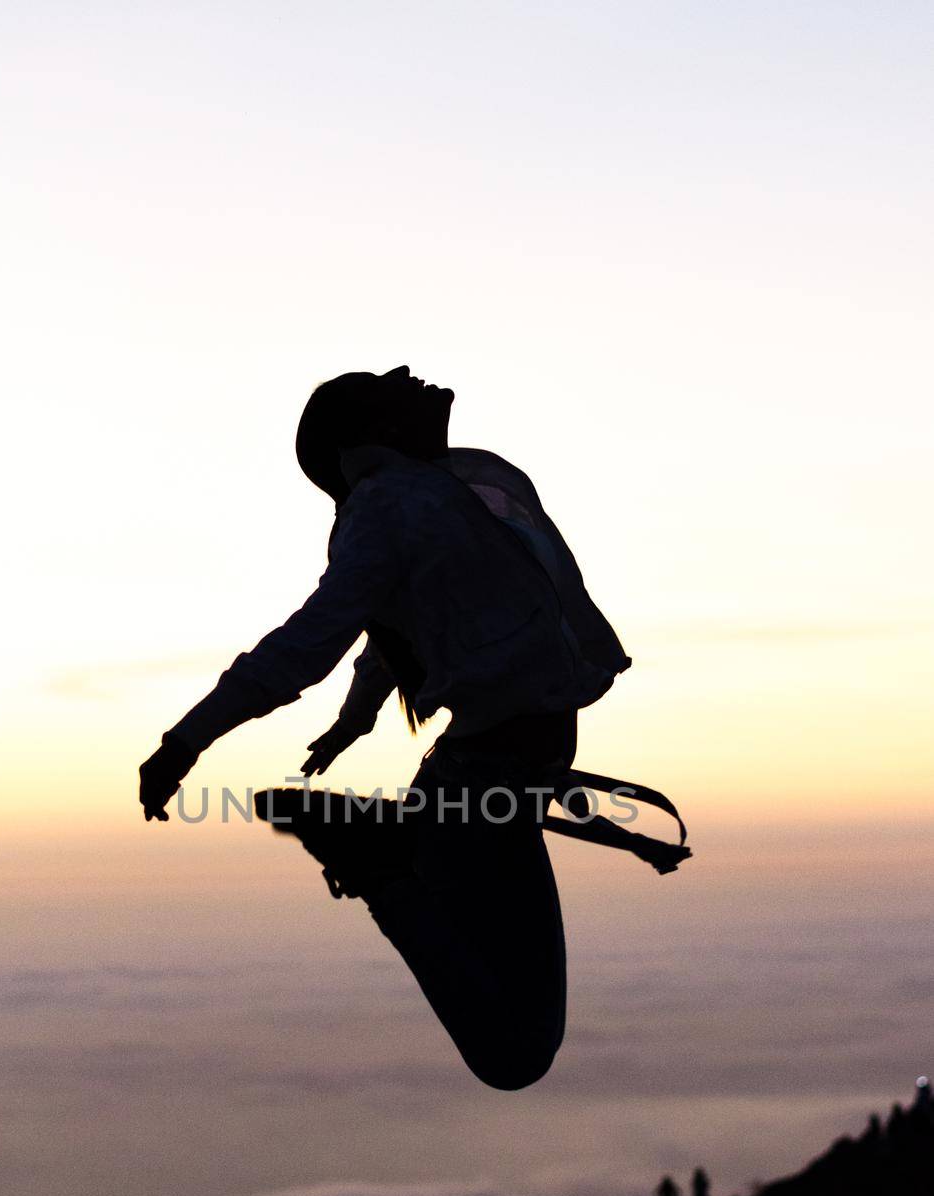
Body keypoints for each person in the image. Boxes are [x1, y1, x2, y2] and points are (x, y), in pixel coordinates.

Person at [139, 366, 690, 1090]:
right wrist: (188, 739)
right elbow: (313, 637)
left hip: (495, 780)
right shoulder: (393, 503)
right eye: (379, 383)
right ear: (369, 434)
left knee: (518, 1045)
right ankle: (374, 861)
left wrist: (354, 719)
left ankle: (380, 856)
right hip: (485, 780)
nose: (404, 373)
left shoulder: (443, 490)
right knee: (513, 1055)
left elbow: (417, 609)